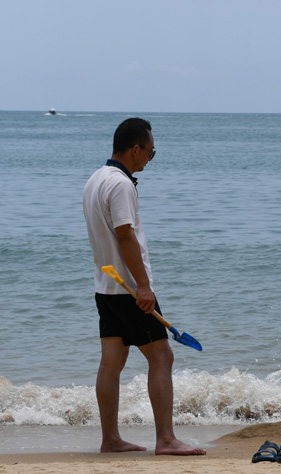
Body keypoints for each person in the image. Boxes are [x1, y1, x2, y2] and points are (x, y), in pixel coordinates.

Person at [83, 117, 205, 455]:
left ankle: (110, 439)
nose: (150, 159)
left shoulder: (95, 179)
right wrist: (144, 287)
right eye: (151, 153)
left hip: (106, 288)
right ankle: (166, 439)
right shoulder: (120, 184)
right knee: (162, 356)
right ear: (135, 149)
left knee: (111, 361)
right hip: (129, 290)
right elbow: (125, 235)